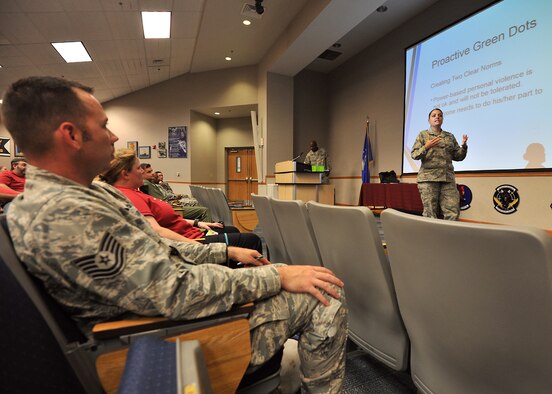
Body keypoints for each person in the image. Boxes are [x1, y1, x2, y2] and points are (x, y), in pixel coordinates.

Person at [2, 76, 347, 393]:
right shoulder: (64, 214)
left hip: (160, 313)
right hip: (154, 337)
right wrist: (276, 276)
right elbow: (176, 292)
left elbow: (158, 247)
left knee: (283, 271)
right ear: (71, 135)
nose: (114, 136)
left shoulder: (87, 193)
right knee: (324, 292)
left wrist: (225, 253)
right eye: (104, 126)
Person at [99, 149, 263, 261]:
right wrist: (200, 247)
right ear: (125, 174)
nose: (143, 171)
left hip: (192, 233)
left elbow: (169, 221)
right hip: (190, 242)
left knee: (231, 230)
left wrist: (199, 223)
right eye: (138, 168)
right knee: (252, 240)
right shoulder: (130, 195)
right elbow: (156, 231)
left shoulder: (136, 191)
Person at [411, 108, 468, 220]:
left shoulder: (449, 136)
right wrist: (426, 147)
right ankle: (430, 237)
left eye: (440, 115)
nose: (437, 117)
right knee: (430, 213)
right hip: (429, 179)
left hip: (447, 179)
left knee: (453, 210)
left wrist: (464, 146)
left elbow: (458, 156)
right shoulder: (423, 135)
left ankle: (449, 236)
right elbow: (414, 154)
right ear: (429, 120)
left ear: (442, 119)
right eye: (434, 115)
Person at [141, 163, 212, 221]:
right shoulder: (145, 183)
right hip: (170, 209)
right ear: (141, 174)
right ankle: (208, 234)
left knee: (195, 204)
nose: (153, 173)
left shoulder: (151, 183)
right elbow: (161, 200)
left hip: (170, 206)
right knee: (205, 210)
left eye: (152, 171)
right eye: (149, 172)